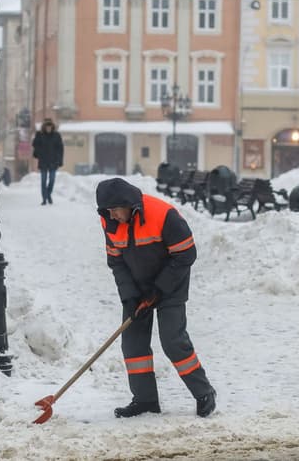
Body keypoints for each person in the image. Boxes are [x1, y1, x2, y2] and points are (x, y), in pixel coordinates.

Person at [95, 177, 216, 419]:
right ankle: (145, 400)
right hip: (138, 288)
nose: (113, 216)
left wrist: (160, 289)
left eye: (116, 210)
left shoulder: (163, 214)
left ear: (128, 203)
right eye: (108, 212)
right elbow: (116, 261)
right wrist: (129, 296)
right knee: (133, 343)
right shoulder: (110, 221)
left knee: (172, 340)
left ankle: (204, 393)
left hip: (171, 285)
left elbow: (186, 253)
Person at [32, 118, 64, 205]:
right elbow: (35, 145)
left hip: (54, 162)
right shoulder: (40, 134)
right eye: (47, 127)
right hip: (43, 161)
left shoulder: (57, 135)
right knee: (43, 181)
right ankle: (44, 199)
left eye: (50, 126)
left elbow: (60, 149)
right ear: (44, 127)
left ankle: (48, 195)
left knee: (52, 180)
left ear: (52, 127)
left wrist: (60, 160)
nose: (48, 128)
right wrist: (38, 151)